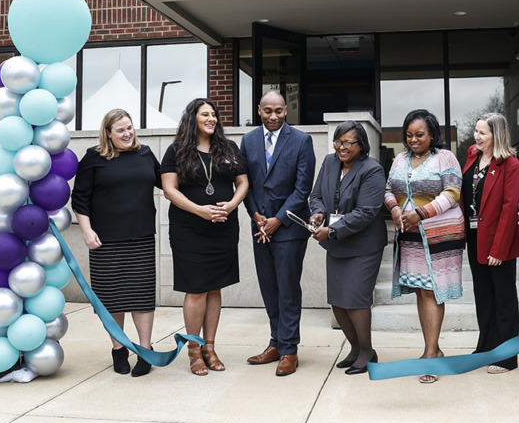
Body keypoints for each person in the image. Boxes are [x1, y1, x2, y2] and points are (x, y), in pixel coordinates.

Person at [161, 98, 248, 376]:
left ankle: (210, 347)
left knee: (215, 288)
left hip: (223, 228)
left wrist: (233, 204)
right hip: (189, 229)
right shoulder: (176, 151)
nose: (211, 119)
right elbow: (169, 190)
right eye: (205, 114)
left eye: (214, 114)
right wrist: (199, 210)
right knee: (196, 288)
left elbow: (243, 181)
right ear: (192, 119)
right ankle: (194, 350)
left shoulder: (229, 148)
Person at [71, 109, 161, 378]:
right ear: (108, 133)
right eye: (120, 130)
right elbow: (80, 198)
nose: (127, 133)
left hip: (141, 237)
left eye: (130, 128)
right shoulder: (93, 158)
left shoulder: (145, 154)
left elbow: (169, 183)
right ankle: (119, 349)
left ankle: (145, 350)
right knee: (112, 299)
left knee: (142, 298)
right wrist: (86, 231)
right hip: (105, 241)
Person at [384, 109, 466, 384]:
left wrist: (421, 213)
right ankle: (433, 349)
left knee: (432, 291)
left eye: (420, 135)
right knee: (421, 291)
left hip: (439, 234)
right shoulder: (400, 159)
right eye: (409, 135)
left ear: (432, 134)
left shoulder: (445, 157)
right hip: (409, 235)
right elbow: (388, 190)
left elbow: (453, 193)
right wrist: (394, 209)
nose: (414, 140)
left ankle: (431, 353)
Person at [240, 91, 316, 377]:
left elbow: (302, 187)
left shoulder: (301, 140)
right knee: (269, 289)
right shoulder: (247, 141)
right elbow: (244, 182)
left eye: (279, 111)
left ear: (286, 111)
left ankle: (289, 350)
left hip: (289, 228)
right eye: (268, 111)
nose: (274, 116)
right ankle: (276, 342)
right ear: (259, 110)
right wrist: (256, 216)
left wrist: (278, 219)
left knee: (287, 289)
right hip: (260, 227)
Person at [308, 121, 387, 375]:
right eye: (337, 141)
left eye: (347, 142)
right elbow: (317, 195)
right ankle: (354, 349)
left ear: (361, 145)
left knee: (356, 300)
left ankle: (367, 351)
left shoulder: (372, 170)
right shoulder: (330, 162)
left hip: (364, 245)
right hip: (337, 244)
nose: (341, 147)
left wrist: (330, 230)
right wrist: (318, 213)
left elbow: (366, 212)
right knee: (338, 302)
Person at [461, 112, 519, 374]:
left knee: (504, 298)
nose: (477, 136)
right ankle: (485, 347)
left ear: (496, 135)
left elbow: (510, 209)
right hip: (475, 238)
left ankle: (507, 356)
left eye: (483, 132)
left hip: (500, 242)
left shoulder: (511, 164)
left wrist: (498, 249)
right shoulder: (473, 157)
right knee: (483, 296)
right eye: (476, 131)